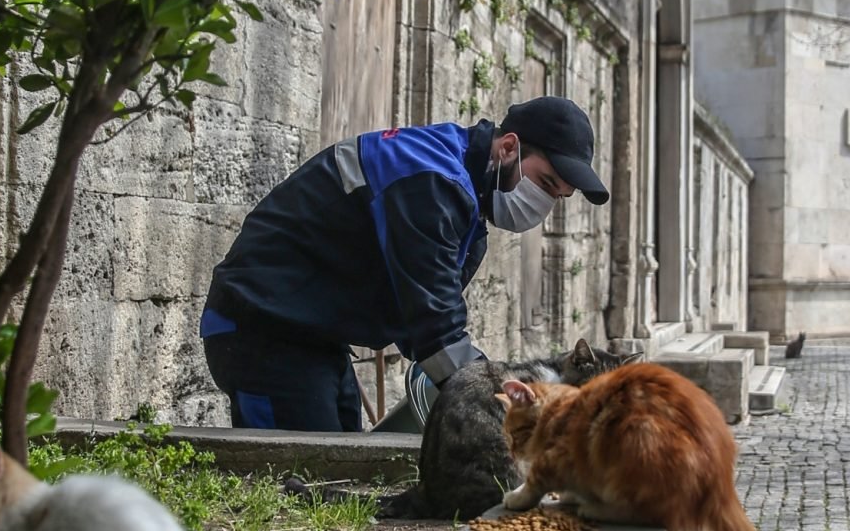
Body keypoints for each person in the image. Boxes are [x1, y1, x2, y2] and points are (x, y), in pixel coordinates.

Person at [198, 97, 609, 431]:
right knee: (297, 484)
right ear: (508, 148)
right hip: (259, 328)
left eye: (558, 196)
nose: (545, 202)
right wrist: (507, 404)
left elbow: (423, 323)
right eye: (545, 183)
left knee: (337, 474)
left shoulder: (464, 194)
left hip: (310, 335)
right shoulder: (429, 180)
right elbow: (436, 328)